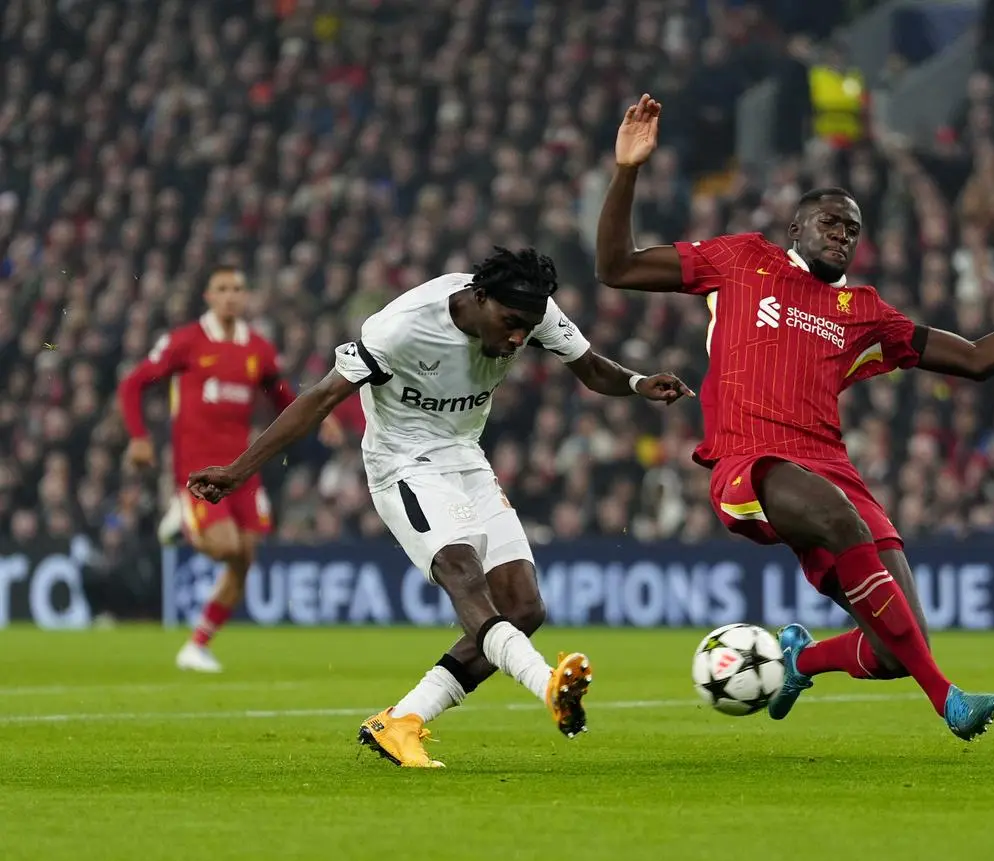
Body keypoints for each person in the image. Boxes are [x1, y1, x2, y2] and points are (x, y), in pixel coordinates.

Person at [595, 95, 994, 740]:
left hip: (832, 469)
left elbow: (978, 359)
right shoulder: (741, 259)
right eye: (830, 221)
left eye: (853, 229)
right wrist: (627, 169)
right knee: (842, 525)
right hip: (749, 459)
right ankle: (947, 699)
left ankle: (798, 661)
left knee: (896, 647)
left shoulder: (865, 312)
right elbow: (616, 267)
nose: (843, 233)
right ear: (795, 228)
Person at [188, 247, 695, 767]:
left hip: (466, 456)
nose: (518, 339)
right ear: (480, 298)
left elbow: (589, 369)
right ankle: (547, 684)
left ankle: (402, 721)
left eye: (527, 329)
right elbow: (320, 398)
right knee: (461, 570)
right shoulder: (402, 327)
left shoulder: (532, 310)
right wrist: (238, 471)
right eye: (510, 324)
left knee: (524, 608)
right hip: (403, 463)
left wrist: (636, 382)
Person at [118, 266, 343, 673]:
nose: (231, 295)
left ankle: (197, 645)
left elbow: (280, 395)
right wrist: (138, 436)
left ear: (245, 296)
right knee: (225, 547)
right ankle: (181, 521)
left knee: (244, 557)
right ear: (208, 296)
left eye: (237, 288)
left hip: (242, 469)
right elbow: (133, 383)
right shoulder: (185, 342)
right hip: (197, 470)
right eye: (222, 288)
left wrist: (318, 417)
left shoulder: (258, 348)